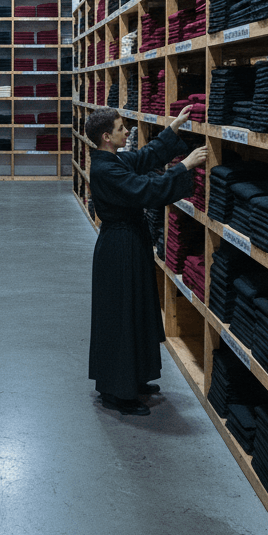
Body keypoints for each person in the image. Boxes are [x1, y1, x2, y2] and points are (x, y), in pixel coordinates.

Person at [85, 106, 208, 416]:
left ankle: (132, 379)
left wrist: (173, 129)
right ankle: (118, 393)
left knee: (135, 311)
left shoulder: (112, 160)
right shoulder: (105, 170)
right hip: (118, 247)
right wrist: (184, 167)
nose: (127, 132)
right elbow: (145, 189)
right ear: (106, 137)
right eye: (121, 128)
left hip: (129, 242)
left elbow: (143, 158)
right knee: (121, 316)